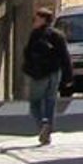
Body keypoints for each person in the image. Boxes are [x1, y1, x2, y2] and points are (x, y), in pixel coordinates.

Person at [22, 9, 73, 145]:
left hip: (39, 75)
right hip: (54, 73)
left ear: (43, 20)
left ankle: (42, 125)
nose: (34, 22)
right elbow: (65, 57)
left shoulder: (36, 35)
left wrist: (28, 70)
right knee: (50, 102)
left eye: (36, 19)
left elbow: (28, 54)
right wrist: (68, 77)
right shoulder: (58, 35)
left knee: (35, 103)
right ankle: (48, 128)